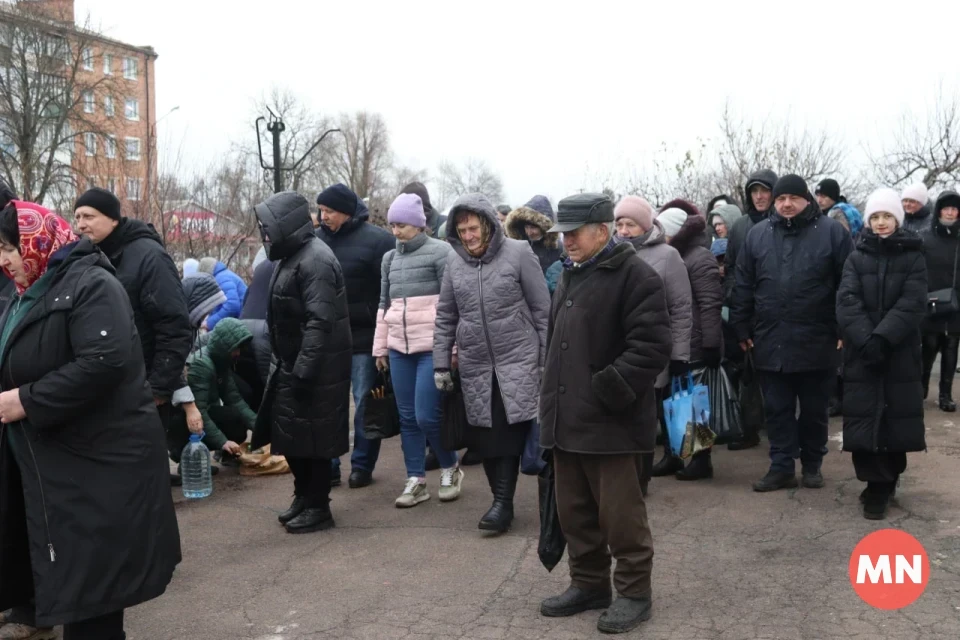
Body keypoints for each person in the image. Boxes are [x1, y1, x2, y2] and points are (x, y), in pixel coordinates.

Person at [0, 203, 180, 640]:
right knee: (77, 589)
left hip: (100, 467)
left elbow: (105, 360)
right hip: (60, 466)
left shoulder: (92, 283)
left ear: (36, 242)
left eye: (8, 248)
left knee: (94, 601)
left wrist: (26, 399)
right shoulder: (31, 291)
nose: (3, 260)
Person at [538, 193, 671, 635]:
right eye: (563, 234)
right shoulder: (571, 275)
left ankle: (634, 592)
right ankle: (590, 584)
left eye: (574, 233)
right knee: (574, 512)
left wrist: (608, 389)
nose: (567, 242)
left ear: (603, 230)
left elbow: (651, 347)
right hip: (567, 419)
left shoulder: (637, 276)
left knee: (621, 517)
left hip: (611, 422)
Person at [434, 193, 550, 533]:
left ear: (487, 224)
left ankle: (502, 503)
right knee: (484, 437)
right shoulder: (454, 263)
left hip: (518, 358)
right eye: (462, 229)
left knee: (507, 434)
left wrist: (545, 360)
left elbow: (542, 310)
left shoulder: (518, 253)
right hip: (475, 364)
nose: (468, 235)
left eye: (473, 228)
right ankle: (501, 501)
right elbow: (445, 316)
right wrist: (441, 364)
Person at [731, 174, 854, 492]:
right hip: (771, 340)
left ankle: (812, 465)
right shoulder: (758, 235)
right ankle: (781, 466)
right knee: (778, 410)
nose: (786, 204)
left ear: (807, 201)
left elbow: (848, 284)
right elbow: (743, 284)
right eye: (781, 199)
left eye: (793, 199)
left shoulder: (832, 233)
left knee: (814, 411)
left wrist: (844, 327)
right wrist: (741, 326)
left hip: (819, 340)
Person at [74, 187, 197, 485]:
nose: (81, 224)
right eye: (77, 217)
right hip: (105, 387)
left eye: (89, 216)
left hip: (142, 391)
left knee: (141, 481)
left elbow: (175, 325)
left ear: (114, 219)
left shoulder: (149, 256)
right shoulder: (91, 255)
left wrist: (157, 388)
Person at [251, 191, 352, 535]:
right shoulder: (293, 255)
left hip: (314, 368)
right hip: (292, 363)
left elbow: (320, 321)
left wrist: (303, 370)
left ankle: (319, 505)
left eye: (269, 225)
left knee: (314, 440)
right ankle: (304, 495)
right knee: (292, 437)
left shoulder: (315, 259)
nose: (265, 233)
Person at [837, 188, 926, 520]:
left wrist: (884, 338)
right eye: (875, 217)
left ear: (897, 219)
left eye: (887, 216)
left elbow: (913, 302)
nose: (881, 222)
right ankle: (874, 482)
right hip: (863, 353)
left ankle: (886, 480)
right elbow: (846, 301)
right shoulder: (857, 257)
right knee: (863, 418)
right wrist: (866, 340)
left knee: (895, 418)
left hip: (898, 352)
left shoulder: (914, 256)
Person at [372, 193, 463, 508]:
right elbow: (384, 305)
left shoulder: (442, 253)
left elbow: (453, 306)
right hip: (399, 348)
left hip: (431, 349)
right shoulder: (389, 259)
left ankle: (450, 466)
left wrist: (452, 349)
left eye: (401, 225)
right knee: (407, 417)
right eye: (392, 224)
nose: (395, 231)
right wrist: (380, 348)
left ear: (418, 224)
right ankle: (416, 479)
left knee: (427, 415)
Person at [316, 183, 397, 489]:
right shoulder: (316, 240)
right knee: (329, 405)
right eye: (321, 210)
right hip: (328, 337)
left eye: (330, 211)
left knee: (365, 402)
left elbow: (389, 289)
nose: (324, 216)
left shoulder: (378, 241)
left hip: (365, 338)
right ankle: (331, 464)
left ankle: (362, 465)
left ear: (347, 212)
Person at [613, 195, 693, 494]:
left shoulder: (667, 256)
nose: (623, 230)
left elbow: (681, 308)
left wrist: (680, 355)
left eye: (630, 224)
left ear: (645, 226)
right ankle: (625, 473)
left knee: (646, 418)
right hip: (619, 350)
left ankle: (641, 477)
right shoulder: (612, 254)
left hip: (653, 350)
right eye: (619, 223)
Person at [653, 204, 724, 481]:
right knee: (669, 402)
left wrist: (711, 344)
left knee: (693, 404)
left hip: (695, 343)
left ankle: (701, 459)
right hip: (672, 342)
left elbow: (710, 303)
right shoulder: (672, 256)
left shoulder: (699, 257)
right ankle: (673, 455)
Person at [722, 168, 778, 450]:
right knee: (748, 372)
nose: (759, 196)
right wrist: (734, 296)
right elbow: (731, 267)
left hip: (775, 309)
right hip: (746, 307)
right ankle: (749, 428)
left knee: (778, 372)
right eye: (754, 191)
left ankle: (779, 426)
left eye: (764, 190)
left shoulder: (782, 222)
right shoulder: (740, 226)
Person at [173, 318, 257, 465]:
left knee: (236, 418)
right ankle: (188, 459)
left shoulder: (221, 362)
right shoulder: (202, 365)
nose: (238, 353)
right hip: (183, 423)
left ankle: (202, 458)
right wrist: (222, 442)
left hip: (203, 414)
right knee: (229, 420)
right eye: (235, 348)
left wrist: (259, 428)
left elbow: (235, 399)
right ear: (225, 346)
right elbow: (198, 411)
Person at [920, 189, 960, 412]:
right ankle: (921, 389)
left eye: (955, 209)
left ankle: (945, 394)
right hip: (931, 300)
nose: (951, 213)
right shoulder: (926, 238)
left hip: (956, 303)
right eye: (947, 208)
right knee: (929, 346)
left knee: (951, 347)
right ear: (939, 211)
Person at [503, 195, 563, 274]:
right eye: (526, 227)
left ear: (545, 227)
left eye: (533, 228)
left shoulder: (558, 248)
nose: (529, 232)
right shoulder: (519, 249)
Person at [197, 257, 247, 330]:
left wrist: (209, 323)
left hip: (242, 323)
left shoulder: (222, 279)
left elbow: (232, 306)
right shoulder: (223, 276)